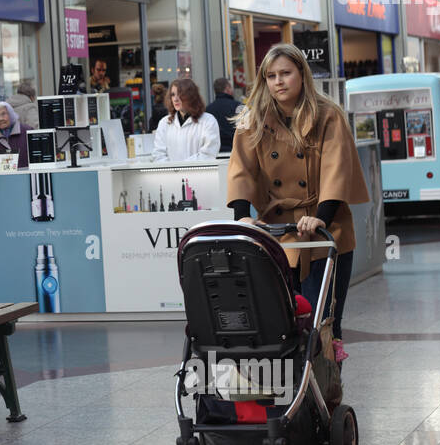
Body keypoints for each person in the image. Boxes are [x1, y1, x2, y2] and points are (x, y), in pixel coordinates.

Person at [226, 43, 369, 341]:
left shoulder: (328, 115)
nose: (278, 81)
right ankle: (293, 385)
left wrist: (322, 217)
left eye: (286, 73)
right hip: (278, 233)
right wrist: (242, 216)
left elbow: (337, 167)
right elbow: (241, 167)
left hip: (327, 230)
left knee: (324, 322)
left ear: (302, 75)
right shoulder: (252, 118)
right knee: (281, 325)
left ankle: (327, 386)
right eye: (271, 75)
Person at [151, 78, 220, 162]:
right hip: (170, 174)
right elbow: (158, 154)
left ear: (191, 96)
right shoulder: (164, 123)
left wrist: (182, 168)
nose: (175, 99)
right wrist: (174, 171)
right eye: (173, 94)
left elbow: (208, 154)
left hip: (200, 174)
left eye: (180, 94)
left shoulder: (208, 121)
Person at [205, 77, 241, 154]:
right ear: (227, 88)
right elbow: (246, 130)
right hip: (235, 152)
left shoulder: (207, 110)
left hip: (214, 153)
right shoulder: (238, 106)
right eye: (231, 87)